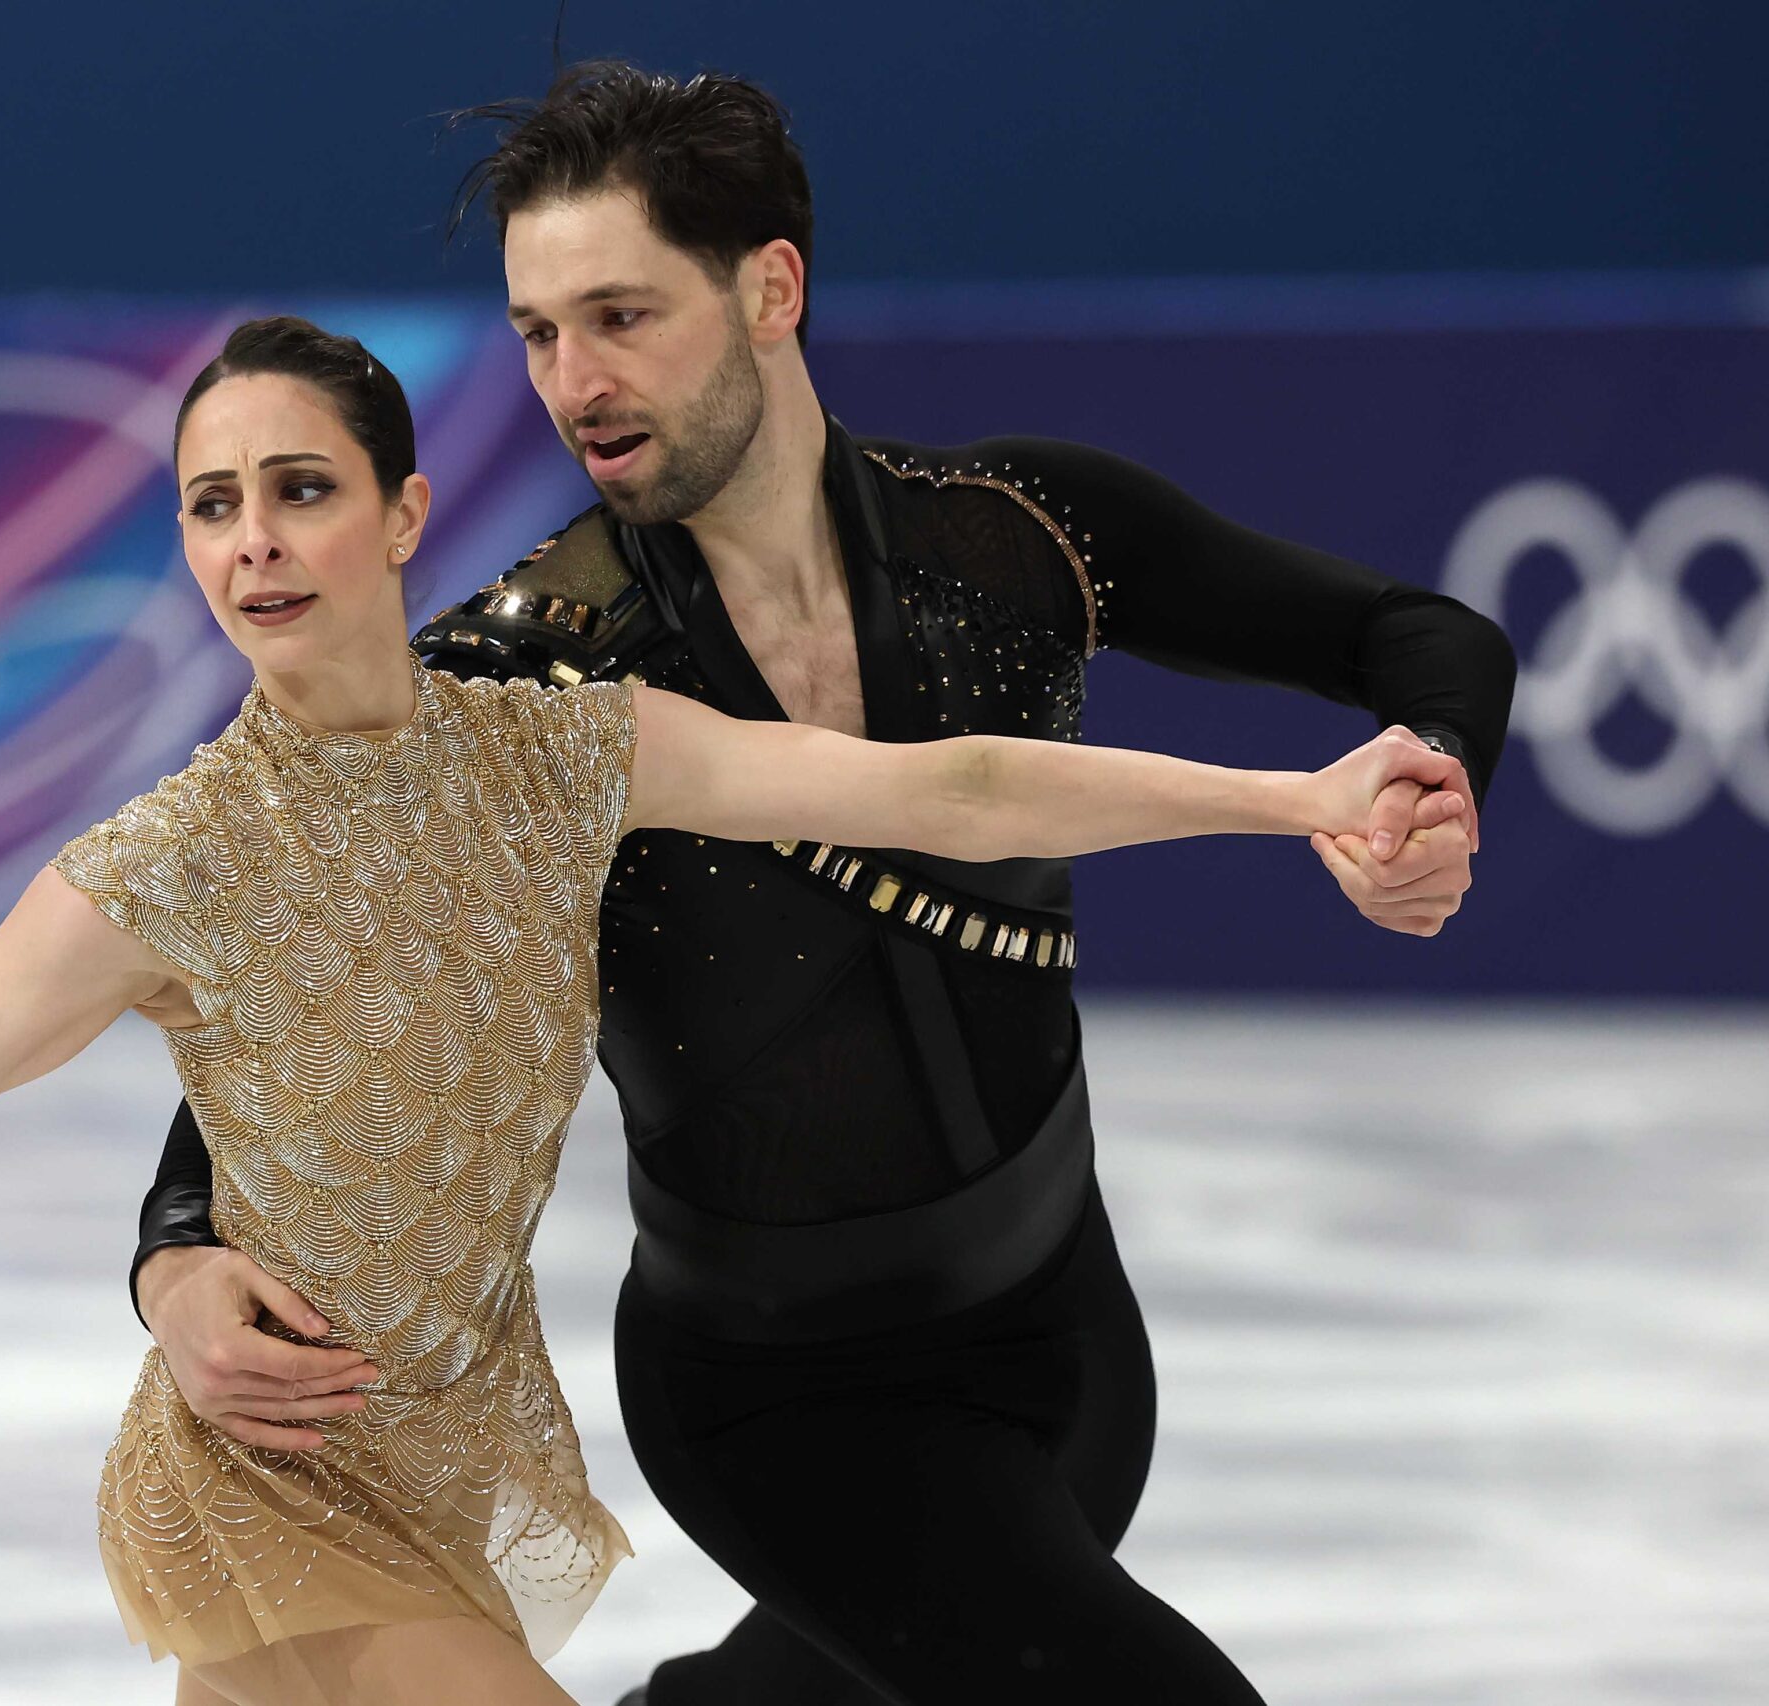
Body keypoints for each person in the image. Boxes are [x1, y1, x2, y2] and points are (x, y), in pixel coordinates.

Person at [0, 315, 1458, 1706]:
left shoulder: (556, 753)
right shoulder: (165, 865)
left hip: (439, 1454)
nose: (252, 542)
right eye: (207, 503)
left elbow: (944, 790)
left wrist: (1287, 797)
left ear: (401, 514)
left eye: (296, 489)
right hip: (269, 1473)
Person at [127, 65, 1520, 1706]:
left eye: (622, 314)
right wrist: (177, 1255)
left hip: (1067, 1342)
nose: (574, 381)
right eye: (535, 332)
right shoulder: (519, 693)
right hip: (774, 1392)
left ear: (768, 289)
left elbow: (1418, 637)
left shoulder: (1020, 530)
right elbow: (282, 1040)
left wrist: (1427, 774)